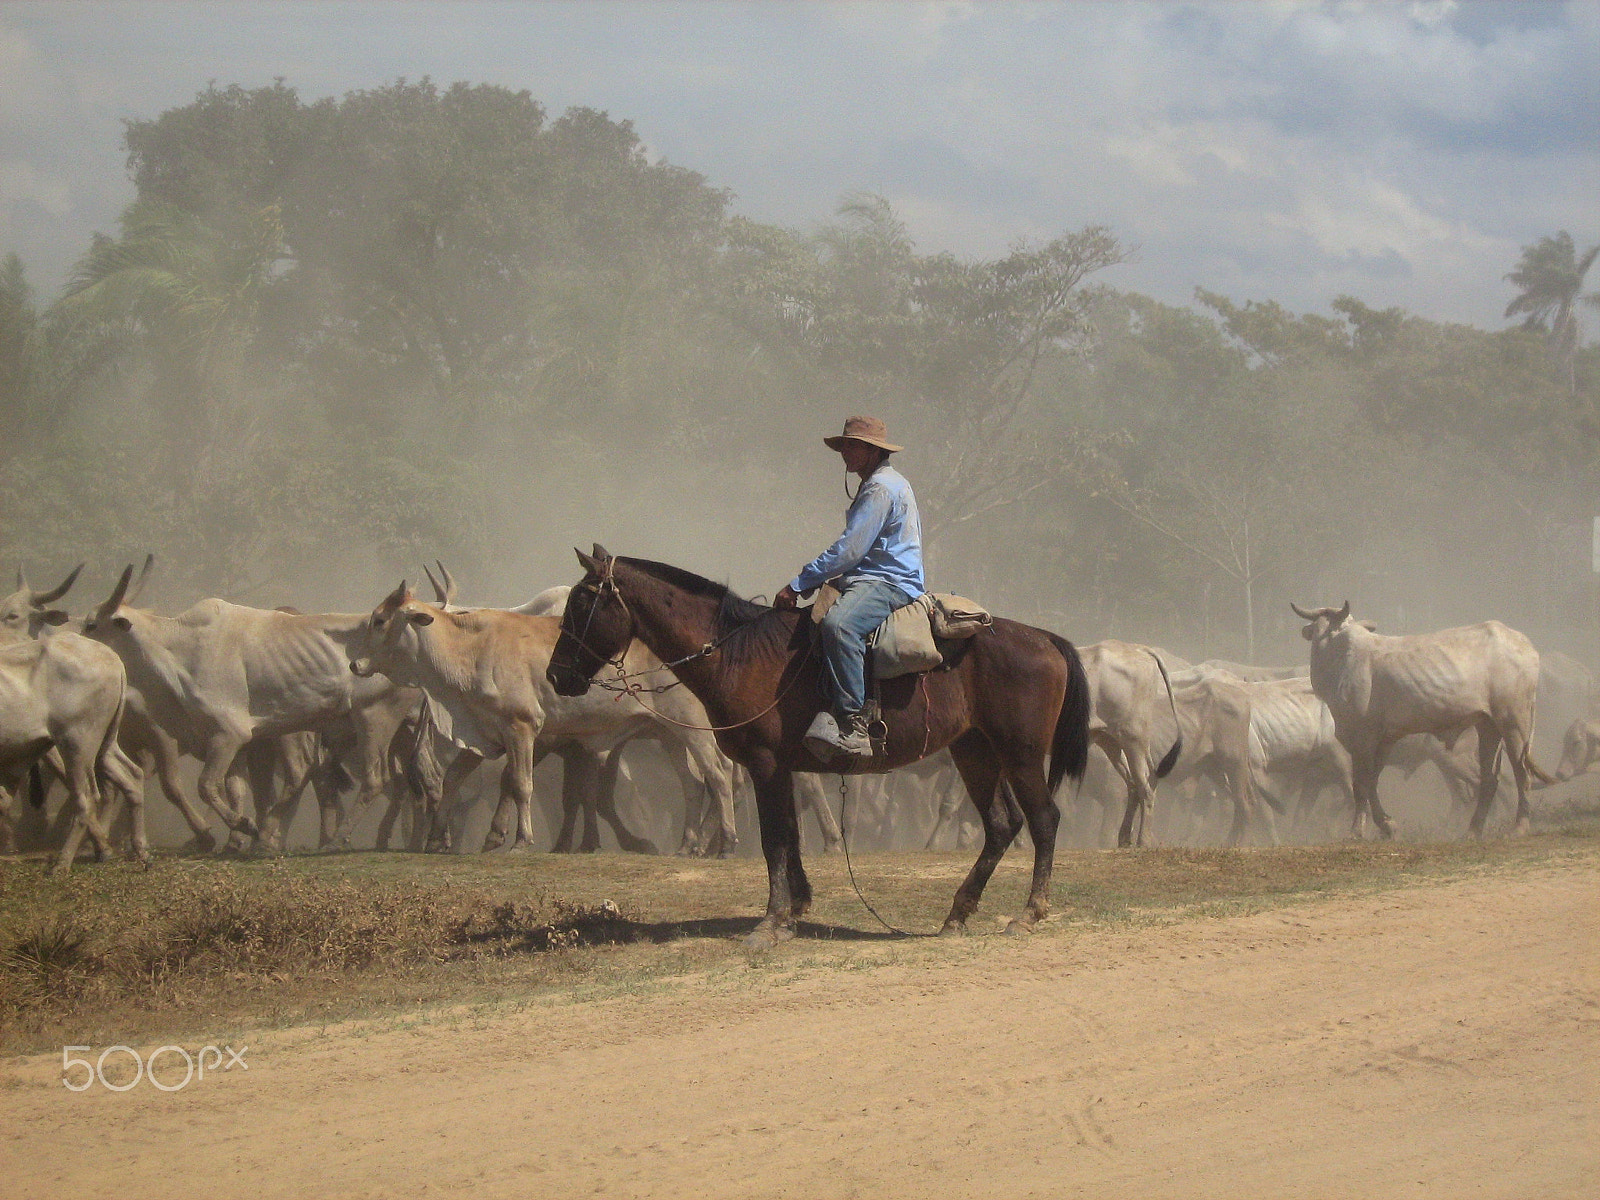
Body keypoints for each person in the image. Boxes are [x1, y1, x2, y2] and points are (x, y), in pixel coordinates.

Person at [774, 415, 925, 759]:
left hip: (887, 581)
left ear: (872, 451)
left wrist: (800, 583)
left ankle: (854, 724)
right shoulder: (882, 482)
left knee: (838, 626)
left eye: (852, 446)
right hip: (871, 577)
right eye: (843, 446)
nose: (845, 453)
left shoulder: (880, 488)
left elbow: (851, 549)